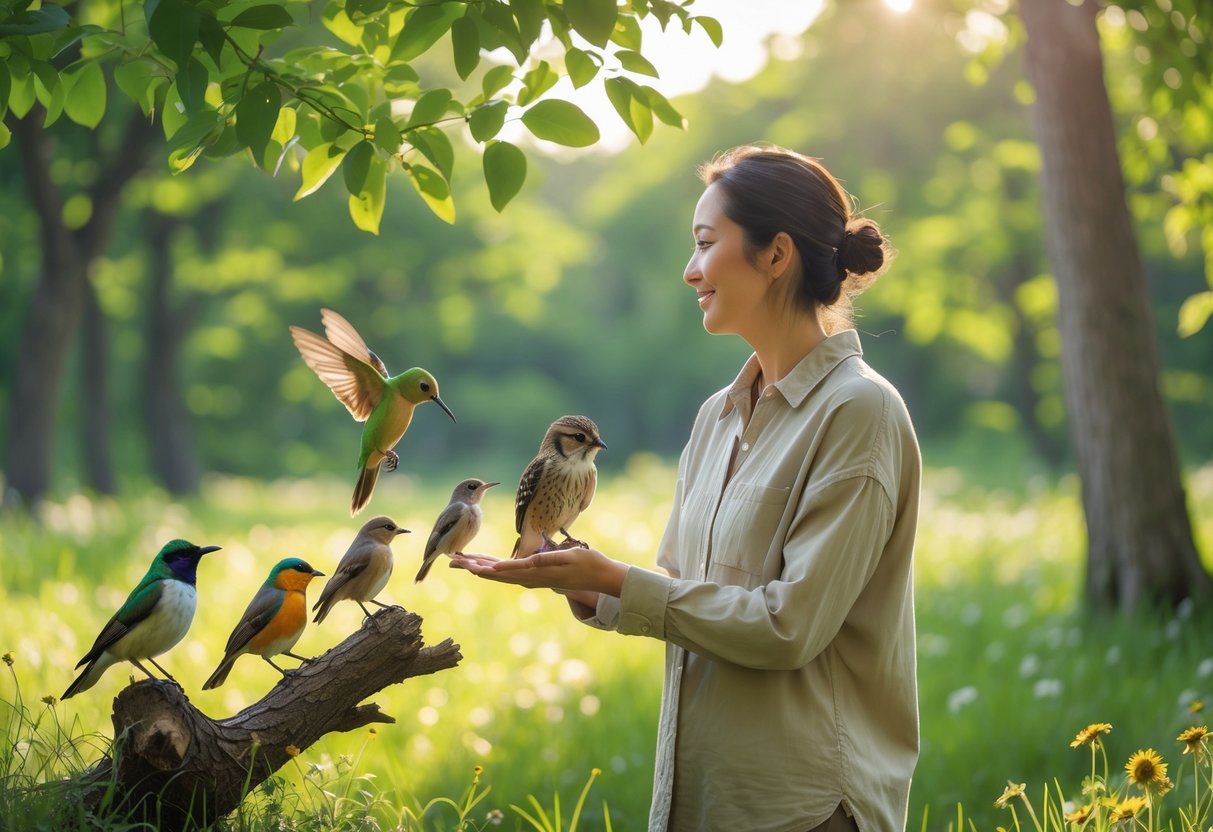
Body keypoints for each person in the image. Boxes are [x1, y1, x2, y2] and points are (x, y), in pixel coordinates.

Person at [453, 145, 920, 832]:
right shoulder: (716, 417)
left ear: (775, 255)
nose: (689, 269)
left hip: (804, 807)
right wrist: (589, 587)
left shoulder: (859, 413)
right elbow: (683, 588)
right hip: (700, 797)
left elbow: (790, 627)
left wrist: (619, 579)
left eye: (705, 244)